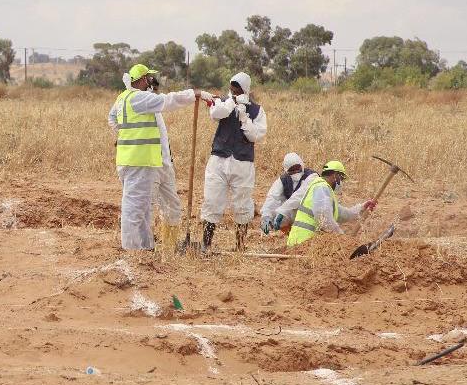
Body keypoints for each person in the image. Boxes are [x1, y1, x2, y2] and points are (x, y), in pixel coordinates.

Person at [108, 64, 210, 255]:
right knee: (136, 208)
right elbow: (169, 100)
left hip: (157, 160)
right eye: (148, 77)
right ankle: (133, 251)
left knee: (166, 205)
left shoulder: (137, 98)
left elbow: (113, 118)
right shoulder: (138, 98)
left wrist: (123, 133)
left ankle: (160, 248)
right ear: (142, 79)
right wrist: (194, 94)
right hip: (139, 161)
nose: (151, 81)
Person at [200, 72, 267, 252]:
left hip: (243, 163)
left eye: (237, 89)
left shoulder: (257, 110)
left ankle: (240, 247)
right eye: (232, 88)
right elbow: (215, 114)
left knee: (243, 205)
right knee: (212, 201)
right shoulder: (223, 102)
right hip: (219, 160)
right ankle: (206, 245)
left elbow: (255, 136)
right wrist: (231, 102)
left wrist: (244, 117)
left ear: (245, 89)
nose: (234, 91)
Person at [283, 160, 376, 247]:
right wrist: (342, 238)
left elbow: (344, 214)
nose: (341, 182)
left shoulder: (325, 192)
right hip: (302, 242)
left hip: (304, 242)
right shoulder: (321, 187)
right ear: (335, 176)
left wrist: (362, 208)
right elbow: (324, 218)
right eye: (341, 178)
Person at [259, 152, 317, 234]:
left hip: (311, 212)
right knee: (275, 217)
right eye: (292, 170)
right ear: (286, 170)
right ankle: (287, 234)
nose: (296, 172)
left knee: (284, 213)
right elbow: (273, 197)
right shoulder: (283, 179)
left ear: (302, 165)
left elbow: (299, 196)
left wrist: (282, 212)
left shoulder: (312, 176)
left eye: (297, 168)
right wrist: (266, 216)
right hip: (292, 212)